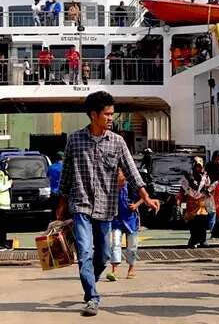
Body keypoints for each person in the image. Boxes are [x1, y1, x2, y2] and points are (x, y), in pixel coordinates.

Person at [56, 91, 160, 317]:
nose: (111, 118)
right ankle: (92, 297)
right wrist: (62, 203)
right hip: (80, 205)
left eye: (113, 114)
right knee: (84, 252)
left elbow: (132, 173)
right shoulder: (74, 140)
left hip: (106, 208)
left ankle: (89, 281)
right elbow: (66, 175)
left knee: (103, 255)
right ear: (94, 115)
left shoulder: (118, 142)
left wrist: (146, 197)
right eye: (107, 114)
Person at [107, 169, 142, 281]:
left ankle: (131, 268)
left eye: (118, 174)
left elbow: (144, 197)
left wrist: (136, 205)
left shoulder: (131, 186)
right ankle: (114, 270)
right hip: (116, 220)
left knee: (132, 246)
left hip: (131, 220)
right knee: (115, 243)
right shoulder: (111, 187)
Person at [180, 157, 212, 248]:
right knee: (193, 222)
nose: (199, 168)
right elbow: (182, 188)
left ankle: (203, 240)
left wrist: (208, 191)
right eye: (197, 166)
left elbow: (208, 186)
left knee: (202, 221)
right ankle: (193, 240)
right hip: (192, 202)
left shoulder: (205, 176)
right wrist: (180, 199)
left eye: (200, 166)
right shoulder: (188, 176)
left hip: (202, 202)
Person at [48, 151, 64, 218]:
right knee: (62, 209)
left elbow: (47, 177)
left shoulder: (50, 167)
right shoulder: (65, 167)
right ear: (63, 158)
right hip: (62, 192)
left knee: (53, 208)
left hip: (53, 192)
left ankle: (53, 222)